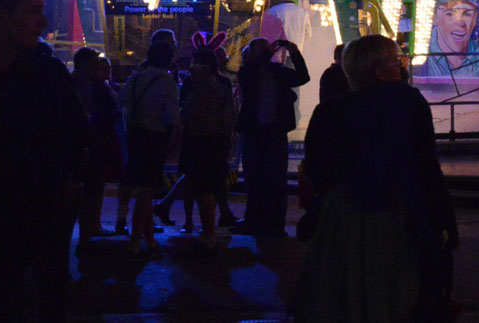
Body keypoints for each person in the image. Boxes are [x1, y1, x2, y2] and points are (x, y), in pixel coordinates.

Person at [295, 35, 458, 322]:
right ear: (380, 70)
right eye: (396, 62)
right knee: (395, 287)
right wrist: (443, 218)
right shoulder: (407, 103)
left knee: (340, 293)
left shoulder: (329, 111)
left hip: (342, 213)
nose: (401, 67)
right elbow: (426, 166)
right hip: (396, 209)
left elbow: (318, 167)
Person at [0, 0, 92, 322]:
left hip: (35, 235)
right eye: (33, 10)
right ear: (1, 17)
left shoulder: (47, 75)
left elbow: (78, 135)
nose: (44, 19)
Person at [235, 37, 310, 237]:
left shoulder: (249, 72)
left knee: (257, 178)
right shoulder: (274, 72)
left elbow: (301, 77)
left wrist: (271, 51)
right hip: (274, 130)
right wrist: (291, 52)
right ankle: (273, 223)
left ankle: (256, 220)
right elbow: (303, 76)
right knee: (274, 179)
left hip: (256, 130)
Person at [118, 31, 181, 258]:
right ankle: (135, 243)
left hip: (135, 136)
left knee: (141, 187)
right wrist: (172, 144)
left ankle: (148, 239)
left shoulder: (136, 78)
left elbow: (122, 103)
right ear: (169, 58)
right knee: (146, 192)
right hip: (155, 138)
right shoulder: (167, 83)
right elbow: (171, 118)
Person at [179, 48, 236, 250]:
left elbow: (188, 117)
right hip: (217, 144)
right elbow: (230, 119)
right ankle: (209, 231)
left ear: (206, 68)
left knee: (203, 191)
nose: (191, 69)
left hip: (201, 144)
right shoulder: (223, 89)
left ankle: (208, 234)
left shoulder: (201, 90)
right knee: (209, 189)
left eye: (195, 65)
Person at [74, 48, 122, 247]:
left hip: (93, 140)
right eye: (95, 63)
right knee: (93, 187)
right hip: (94, 141)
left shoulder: (86, 84)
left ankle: (91, 228)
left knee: (94, 186)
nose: (99, 67)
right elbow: (88, 117)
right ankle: (87, 233)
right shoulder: (88, 86)